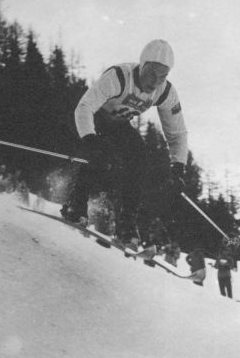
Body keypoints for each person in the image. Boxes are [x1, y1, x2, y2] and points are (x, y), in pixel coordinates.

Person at [60, 39, 188, 248]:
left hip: (118, 125)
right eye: (151, 73)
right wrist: (90, 140)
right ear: (142, 65)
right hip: (93, 118)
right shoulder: (119, 77)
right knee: (101, 153)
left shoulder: (165, 92)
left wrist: (179, 167)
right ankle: (76, 204)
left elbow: (177, 133)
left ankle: (126, 224)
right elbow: (84, 108)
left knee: (139, 157)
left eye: (162, 76)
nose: (155, 82)